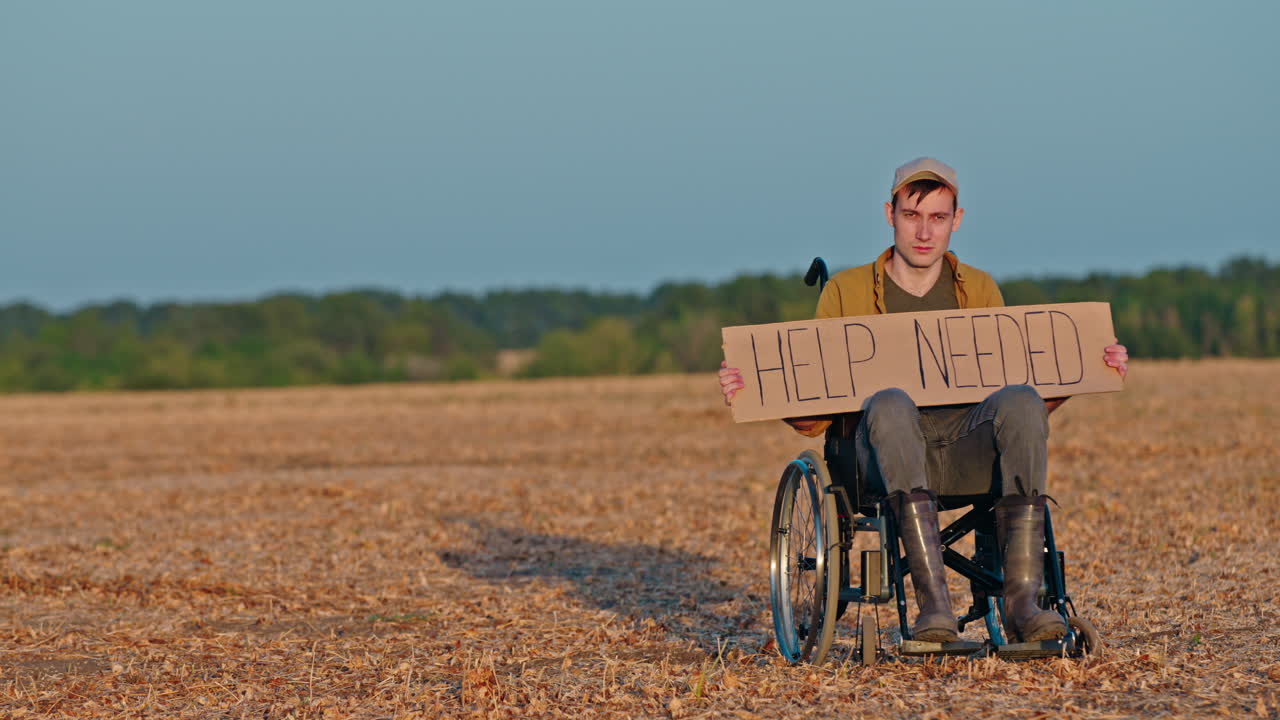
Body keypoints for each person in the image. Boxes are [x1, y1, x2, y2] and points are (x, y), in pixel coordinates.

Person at [718, 158, 1129, 644]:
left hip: (966, 449)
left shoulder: (980, 289)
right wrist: (757, 387)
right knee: (891, 402)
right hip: (881, 456)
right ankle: (934, 608)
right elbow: (813, 415)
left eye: (938, 217)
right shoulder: (846, 292)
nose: (924, 232)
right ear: (889, 214)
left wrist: (1086, 368)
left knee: (1021, 398)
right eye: (912, 215)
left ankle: (1023, 606)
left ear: (957, 220)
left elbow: (1020, 414)